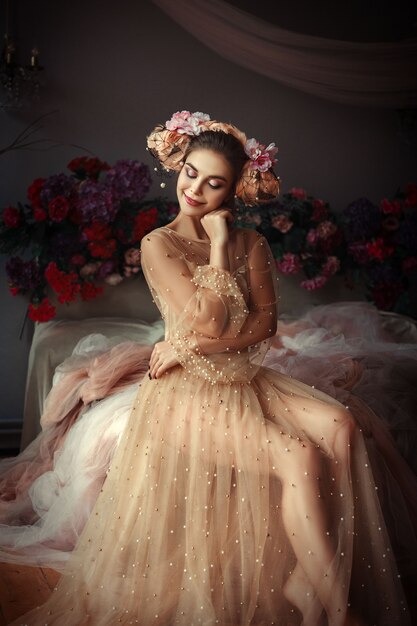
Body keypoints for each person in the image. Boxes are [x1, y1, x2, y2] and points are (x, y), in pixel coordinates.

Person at [4, 110, 416, 625]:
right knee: (299, 455)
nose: (195, 189)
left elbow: (264, 324)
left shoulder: (254, 243)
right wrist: (218, 252)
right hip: (187, 393)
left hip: (245, 376)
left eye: (214, 183)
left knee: (343, 423)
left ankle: (304, 581)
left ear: (233, 192)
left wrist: (194, 344)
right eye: (190, 173)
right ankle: (339, 611)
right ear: (178, 168)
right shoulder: (160, 244)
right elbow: (210, 318)